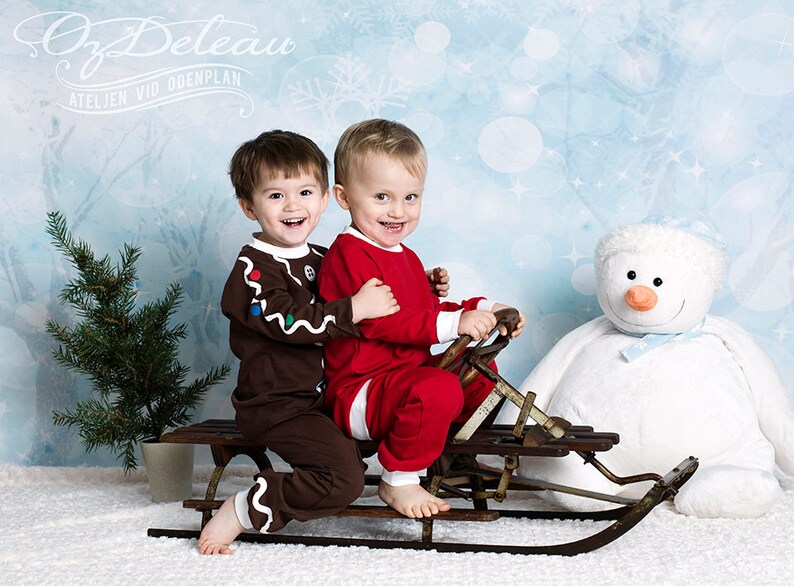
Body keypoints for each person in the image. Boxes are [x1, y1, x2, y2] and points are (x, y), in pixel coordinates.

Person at [197, 129, 403, 555]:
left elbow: (373, 289)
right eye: (275, 196)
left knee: (399, 408)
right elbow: (288, 323)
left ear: (325, 199)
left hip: (328, 398)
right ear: (248, 206)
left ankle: (407, 482)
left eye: (305, 191)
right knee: (343, 479)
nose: (293, 206)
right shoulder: (253, 270)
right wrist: (354, 309)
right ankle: (246, 507)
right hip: (278, 405)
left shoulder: (326, 257)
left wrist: (423, 287)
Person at [318, 119, 525, 520]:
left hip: (401, 381)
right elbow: (383, 323)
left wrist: (487, 309)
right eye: (382, 197)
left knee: (480, 371)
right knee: (437, 389)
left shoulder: (406, 256)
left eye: (411, 197)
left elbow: (425, 314)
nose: (398, 211)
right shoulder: (348, 254)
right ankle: (399, 479)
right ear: (343, 197)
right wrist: (456, 323)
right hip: (361, 391)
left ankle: (451, 450)